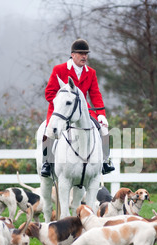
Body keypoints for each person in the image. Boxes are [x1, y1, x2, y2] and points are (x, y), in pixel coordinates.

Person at [41, 39, 115, 177]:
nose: (84, 57)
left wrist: (101, 113)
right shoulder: (59, 69)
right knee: (49, 131)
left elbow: (95, 94)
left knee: (104, 129)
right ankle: (47, 162)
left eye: (86, 54)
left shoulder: (91, 72)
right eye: (81, 53)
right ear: (73, 54)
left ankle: (105, 162)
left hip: (84, 111)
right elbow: (49, 92)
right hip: (60, 110)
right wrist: (62, 104)